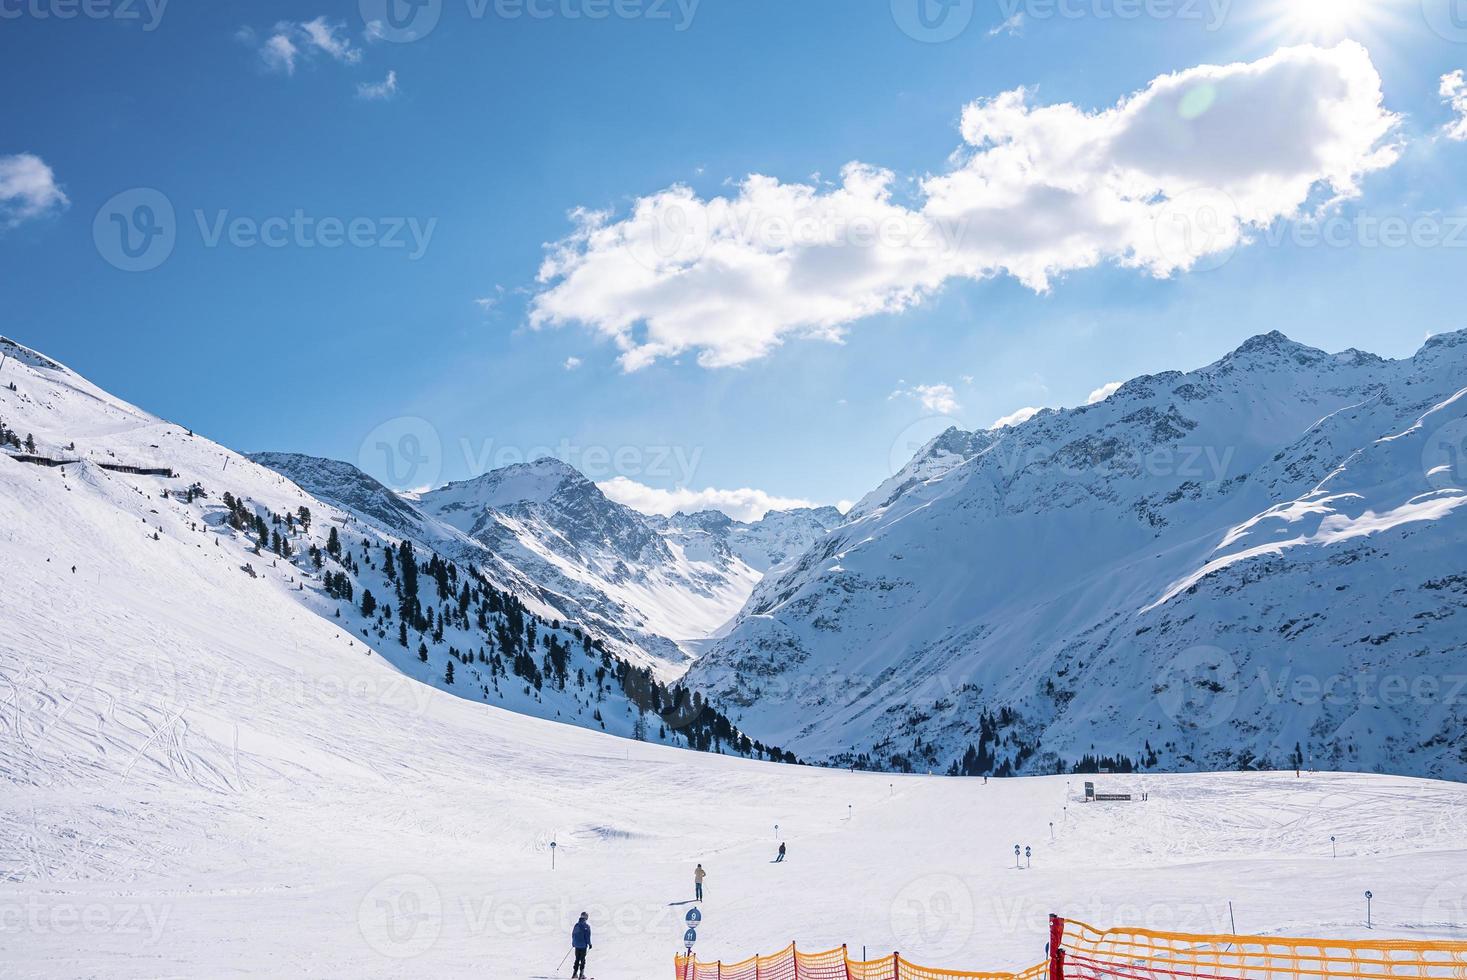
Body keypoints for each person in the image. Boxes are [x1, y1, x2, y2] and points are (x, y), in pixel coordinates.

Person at [571, 912, 592, 979]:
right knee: (582, 960)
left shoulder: (576, 925)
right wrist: (589, 944)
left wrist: (573, 943)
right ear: (586, 917)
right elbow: (587, 936)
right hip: (583, 946)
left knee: (577, 959)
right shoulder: (586, 926)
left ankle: (574, 974)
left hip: (577, 945)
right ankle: (581, 974)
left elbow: (573, 934)